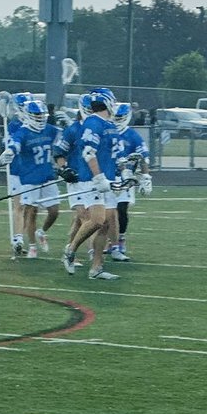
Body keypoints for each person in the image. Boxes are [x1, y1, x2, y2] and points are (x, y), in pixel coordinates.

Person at [61, 88, 122, 280]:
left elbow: (114, 154)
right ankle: (70, 250)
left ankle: (96, 268)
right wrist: (98, 177)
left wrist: (126, 172)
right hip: (93, 179)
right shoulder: (93, 122)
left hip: (108, 177)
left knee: (104, 224)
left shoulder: (108, 124)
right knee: (96, 220)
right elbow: (89, 152)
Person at [0, 98, 61, 259]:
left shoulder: (50, 129)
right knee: (31, 212)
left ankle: (41, 232)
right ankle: (32, 245)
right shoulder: (23, 131)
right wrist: (9, 152)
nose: (39, 118)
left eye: (41, 114)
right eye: (36, 115)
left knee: (54, 211)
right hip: (29, 177)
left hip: (47, 175)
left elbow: (64, 140)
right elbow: (15, 144)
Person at [109, 102, 153, 261]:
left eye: (120, 117)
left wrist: (146, 177)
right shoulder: (107, 132)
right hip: (108, 176)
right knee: (108, 212)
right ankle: (110, 241)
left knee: (121, 209)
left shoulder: (132, 135)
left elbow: (143, 157)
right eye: (115, 117)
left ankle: (120, 238)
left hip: (126, 178)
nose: (117, 120)